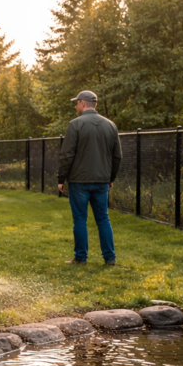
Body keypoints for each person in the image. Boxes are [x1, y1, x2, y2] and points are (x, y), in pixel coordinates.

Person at [57, 90, 121, 265]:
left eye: (76, 103)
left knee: (80, 219)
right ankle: (110, 258)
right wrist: (111, 177)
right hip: (102, 181)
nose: (76, 106)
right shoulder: (110, 125)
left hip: (79, 181)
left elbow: (67, 155)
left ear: (83, 103)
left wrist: (61, 179)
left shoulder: (75, 124)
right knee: (103, 219)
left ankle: (80, 258)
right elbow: (117, 156)